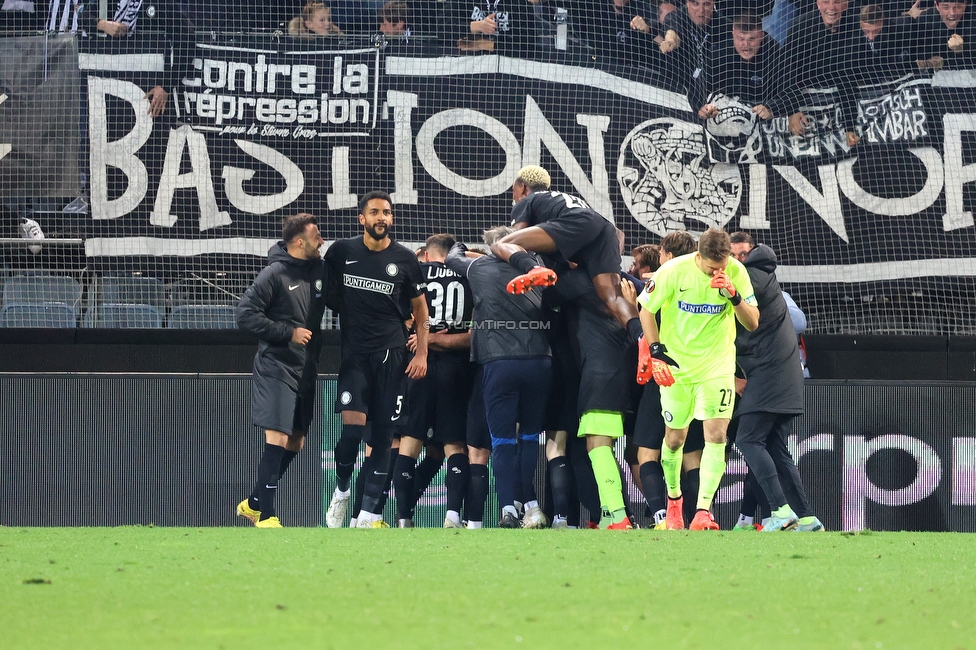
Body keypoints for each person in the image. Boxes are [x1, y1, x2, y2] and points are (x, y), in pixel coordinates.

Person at [636, 227, 759, 530]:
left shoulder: (736, 272)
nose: (717, 271)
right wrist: (656, 352)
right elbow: (646, 309)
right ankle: (674, 501)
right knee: (674, 439)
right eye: (711, 267)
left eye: (722, 265)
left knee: (716, 436)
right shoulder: (674, 271)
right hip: (678, 368)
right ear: (698, 256)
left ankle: (703, 512)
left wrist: (734, 295)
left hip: (717, 367)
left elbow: (753, 322)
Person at [324, 191, 429, 529]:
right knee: (352, 434)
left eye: (386, 212)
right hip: (355, 357)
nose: (381, 217)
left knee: (384, 438)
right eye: (374, 212)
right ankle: (341, 492)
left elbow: (421, 310)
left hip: (393, 358)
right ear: (362, 218)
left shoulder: (406, 259)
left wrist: (423, 351)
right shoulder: (342, 252)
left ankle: (368, 514)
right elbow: (330, 299)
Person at [446, 227, 552, 528]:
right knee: (530, 437)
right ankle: (529, 508)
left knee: (502, 441)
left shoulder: (479, 266)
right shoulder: (538, 267)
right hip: (540, 361)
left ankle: (508, 509)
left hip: (500, 362)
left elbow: (452, 256)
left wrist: (465, 246)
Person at [235, 213, 328, 528]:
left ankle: (254, 502)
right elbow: (245, 315)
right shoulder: (273, 274)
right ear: (299, 242)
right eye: (317, 236)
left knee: (296, 441)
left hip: (306, 368)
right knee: (276, 436)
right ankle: (266, 515)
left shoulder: (320, 270)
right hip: (276, 365)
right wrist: (288, 332)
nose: (322, 240)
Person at [729, 232, 824, 532]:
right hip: (784, 375)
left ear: (751, 254)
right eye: (732, 255)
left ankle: (781, 511)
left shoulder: (750, 278)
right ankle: (807, 518)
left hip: (769, 375)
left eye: (741, 255)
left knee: (748, 439)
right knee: (774, 446)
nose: (736, 261)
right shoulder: (765, 276)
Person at [496, 165, 644, 347]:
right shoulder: (564, 199)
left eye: (514, 190)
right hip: (602, 227)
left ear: (523, 187)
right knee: (612, 298)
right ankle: (642, 339)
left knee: (501, 243)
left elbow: (517, 237)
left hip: (574, 224)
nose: (514, 196)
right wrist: (602, 263)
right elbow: (618, 234)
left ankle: (533, 269)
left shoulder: (527, 201)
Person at [394, 234, 476, 529]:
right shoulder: (467, 275)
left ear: (427, 255)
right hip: (456, 369)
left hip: (418, 366)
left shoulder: (415, 274)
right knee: (455, 445)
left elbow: (401, 321)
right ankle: (452, 515)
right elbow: (473, 334)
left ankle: (403, 518)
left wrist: (421, 338)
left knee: (410, 442)